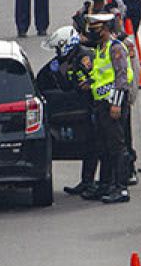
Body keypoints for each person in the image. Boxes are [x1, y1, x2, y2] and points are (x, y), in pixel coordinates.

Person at [36, 26, 100, 197]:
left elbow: (91, 82)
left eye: (58, 48)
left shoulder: (85, 58)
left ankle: (106, 182)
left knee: (96, 146)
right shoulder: (64, 60)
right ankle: (86, 181)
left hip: (94, 106)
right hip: (82, 108)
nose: (57, 52)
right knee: (88, 145)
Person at [87, 13, 134, 203]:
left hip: (113, 103)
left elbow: (122, 77)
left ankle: (121, 188)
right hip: (101, 104)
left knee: (117, 146)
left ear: (106, 29)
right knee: (104, 147)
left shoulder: (116, 48)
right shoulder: (101, 49)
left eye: (96, 28)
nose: (92, 32)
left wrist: (115, 103)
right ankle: (105, 184)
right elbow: (102, 76)